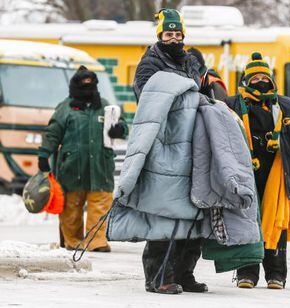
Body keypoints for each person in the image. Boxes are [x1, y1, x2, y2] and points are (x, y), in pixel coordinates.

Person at [126, 8, 207, 294]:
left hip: (191, 144)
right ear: (160, 35)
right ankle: (159, 276)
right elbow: (149, 97)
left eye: (178, 34)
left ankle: (184, 273)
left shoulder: (191, 63)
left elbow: (200, 95)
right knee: (164, 212)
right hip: (162, 145)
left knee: (193, 211)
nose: (174, 38)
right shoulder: (149, 64)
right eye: (168, 34)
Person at [225, 52, 290, 289]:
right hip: (244, 174)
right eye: (254, 78)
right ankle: (246, 273)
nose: (259, 82)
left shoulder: (288, 106)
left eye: (263, 77)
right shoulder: (232, 105)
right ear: (246, 81)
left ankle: (276, 275)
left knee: (276, 222)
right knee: (246, 221)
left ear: (271, 79)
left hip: (277, 173)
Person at [38, 66, 128, 253]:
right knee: (71, 206)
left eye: (91, 83)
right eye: (83, 84)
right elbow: (53, 132)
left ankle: (96, 241)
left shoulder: (105, 106)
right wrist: (44, 154)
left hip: (101, 165)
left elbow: (123, 125)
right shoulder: (65, 108)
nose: (88, 88)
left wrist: (120, 129)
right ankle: (72, 240)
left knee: (101, 203)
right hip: (72, 167)